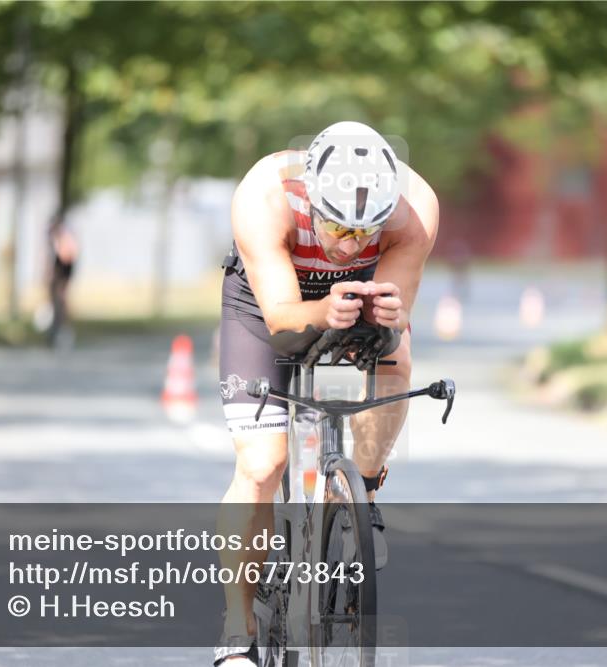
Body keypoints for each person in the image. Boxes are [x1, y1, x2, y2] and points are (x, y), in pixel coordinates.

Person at [214, 121, 439, 666]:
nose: (351, 245)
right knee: (264, 466)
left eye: (367, 233)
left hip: (359, 294)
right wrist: (321, 311)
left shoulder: (416, 208)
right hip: (269, 304)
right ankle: (235, 632)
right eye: (339, 229)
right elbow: (283, 322)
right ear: (312, 199)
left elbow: (392, 319)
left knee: (397, 358)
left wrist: (385, 317)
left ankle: (361, 493)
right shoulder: (265, 195)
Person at [48, 217, 79, 349]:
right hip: (58, 276)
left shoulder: (65, 240)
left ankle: (63, 333)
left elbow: (67, 259)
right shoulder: (56, 241)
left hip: (63, 275)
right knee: (56, 304)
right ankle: (55, 333)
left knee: (62, 303)